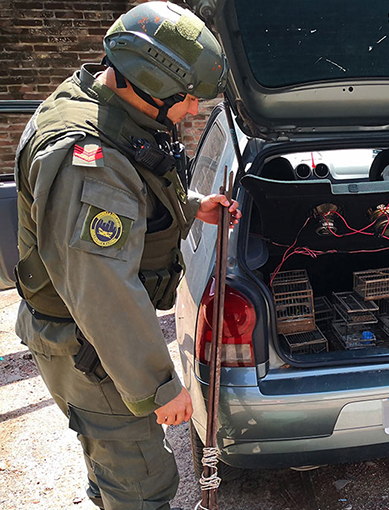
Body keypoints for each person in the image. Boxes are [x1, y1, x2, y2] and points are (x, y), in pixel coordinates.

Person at [13, 2, 240, 509]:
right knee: (141, 484)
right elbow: (102, 290)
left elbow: (134, 188)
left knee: (114, 469)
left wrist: (191, 206)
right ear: (152, 84)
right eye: (187, 98)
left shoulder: (103, 108)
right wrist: (159, 385)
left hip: (88, 335)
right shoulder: (87, 161)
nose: (193, 111)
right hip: (89, 345)